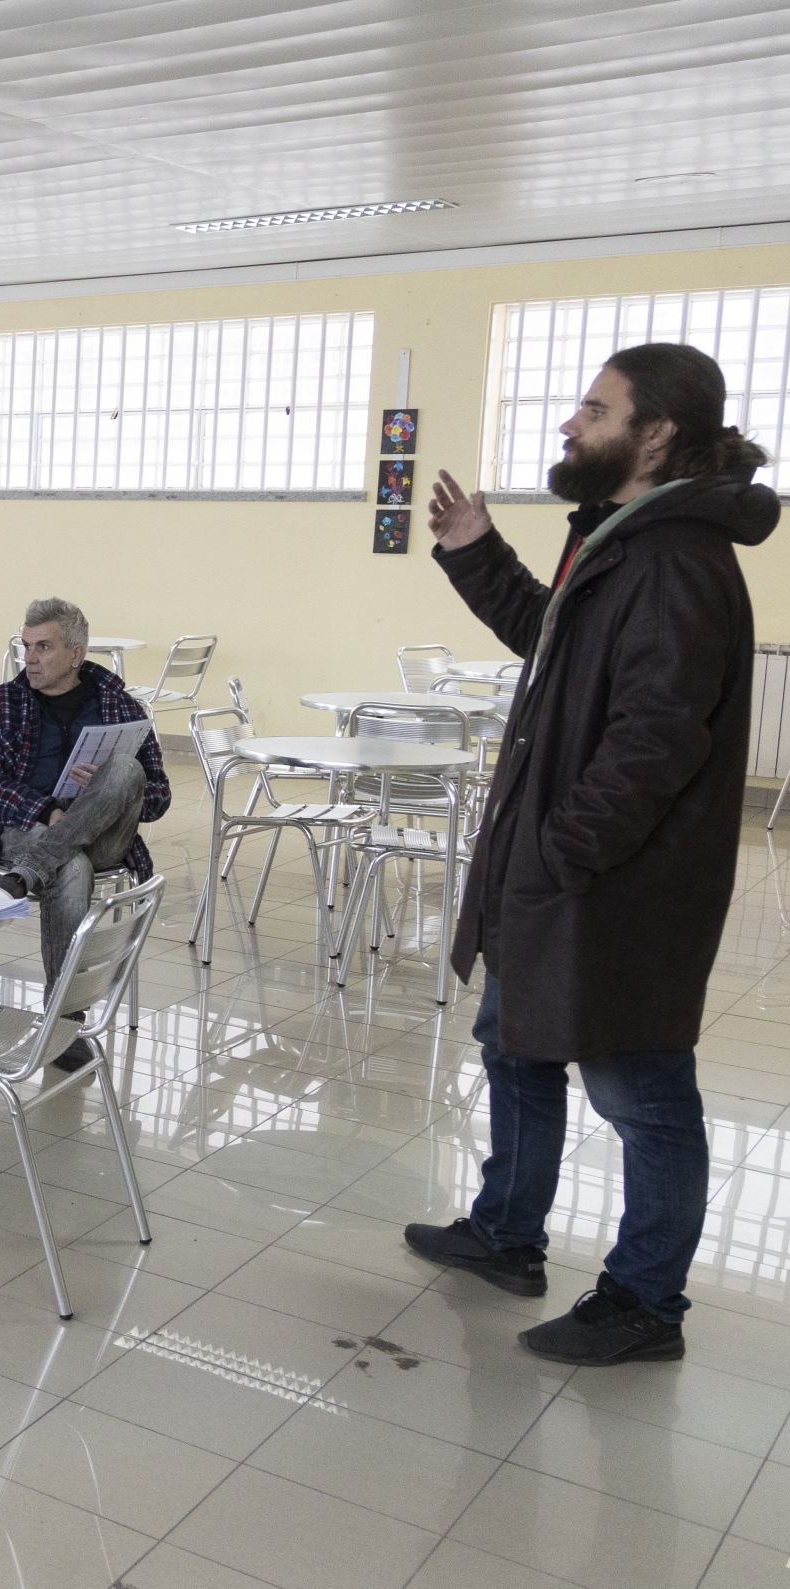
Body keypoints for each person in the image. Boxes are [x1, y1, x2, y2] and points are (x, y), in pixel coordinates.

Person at [402, 343, 774, 1367]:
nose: (572, 423)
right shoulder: (620, 536)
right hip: (558, 873)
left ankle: (645, 1300)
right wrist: (477, 551)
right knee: (513, 1044)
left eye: (595, 409)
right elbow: (552, 640)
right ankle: (505, 1232)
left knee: (643, 1096)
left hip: (616, 888)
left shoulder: (675, 560)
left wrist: (560, 850)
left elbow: (656, 741)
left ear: (657, 434)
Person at [0, 597, 169, 1069]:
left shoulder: (121, 707)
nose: (29, 658)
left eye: (44, 647)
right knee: (70, 867)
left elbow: (158, 796)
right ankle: (64, 1022)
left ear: (76, 654)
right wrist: (46, 810)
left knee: (124, 769)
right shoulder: (0, 703)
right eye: (26, 646)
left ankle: (31, 871)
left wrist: (108, 791)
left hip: (104, 836)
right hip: (26, 827)